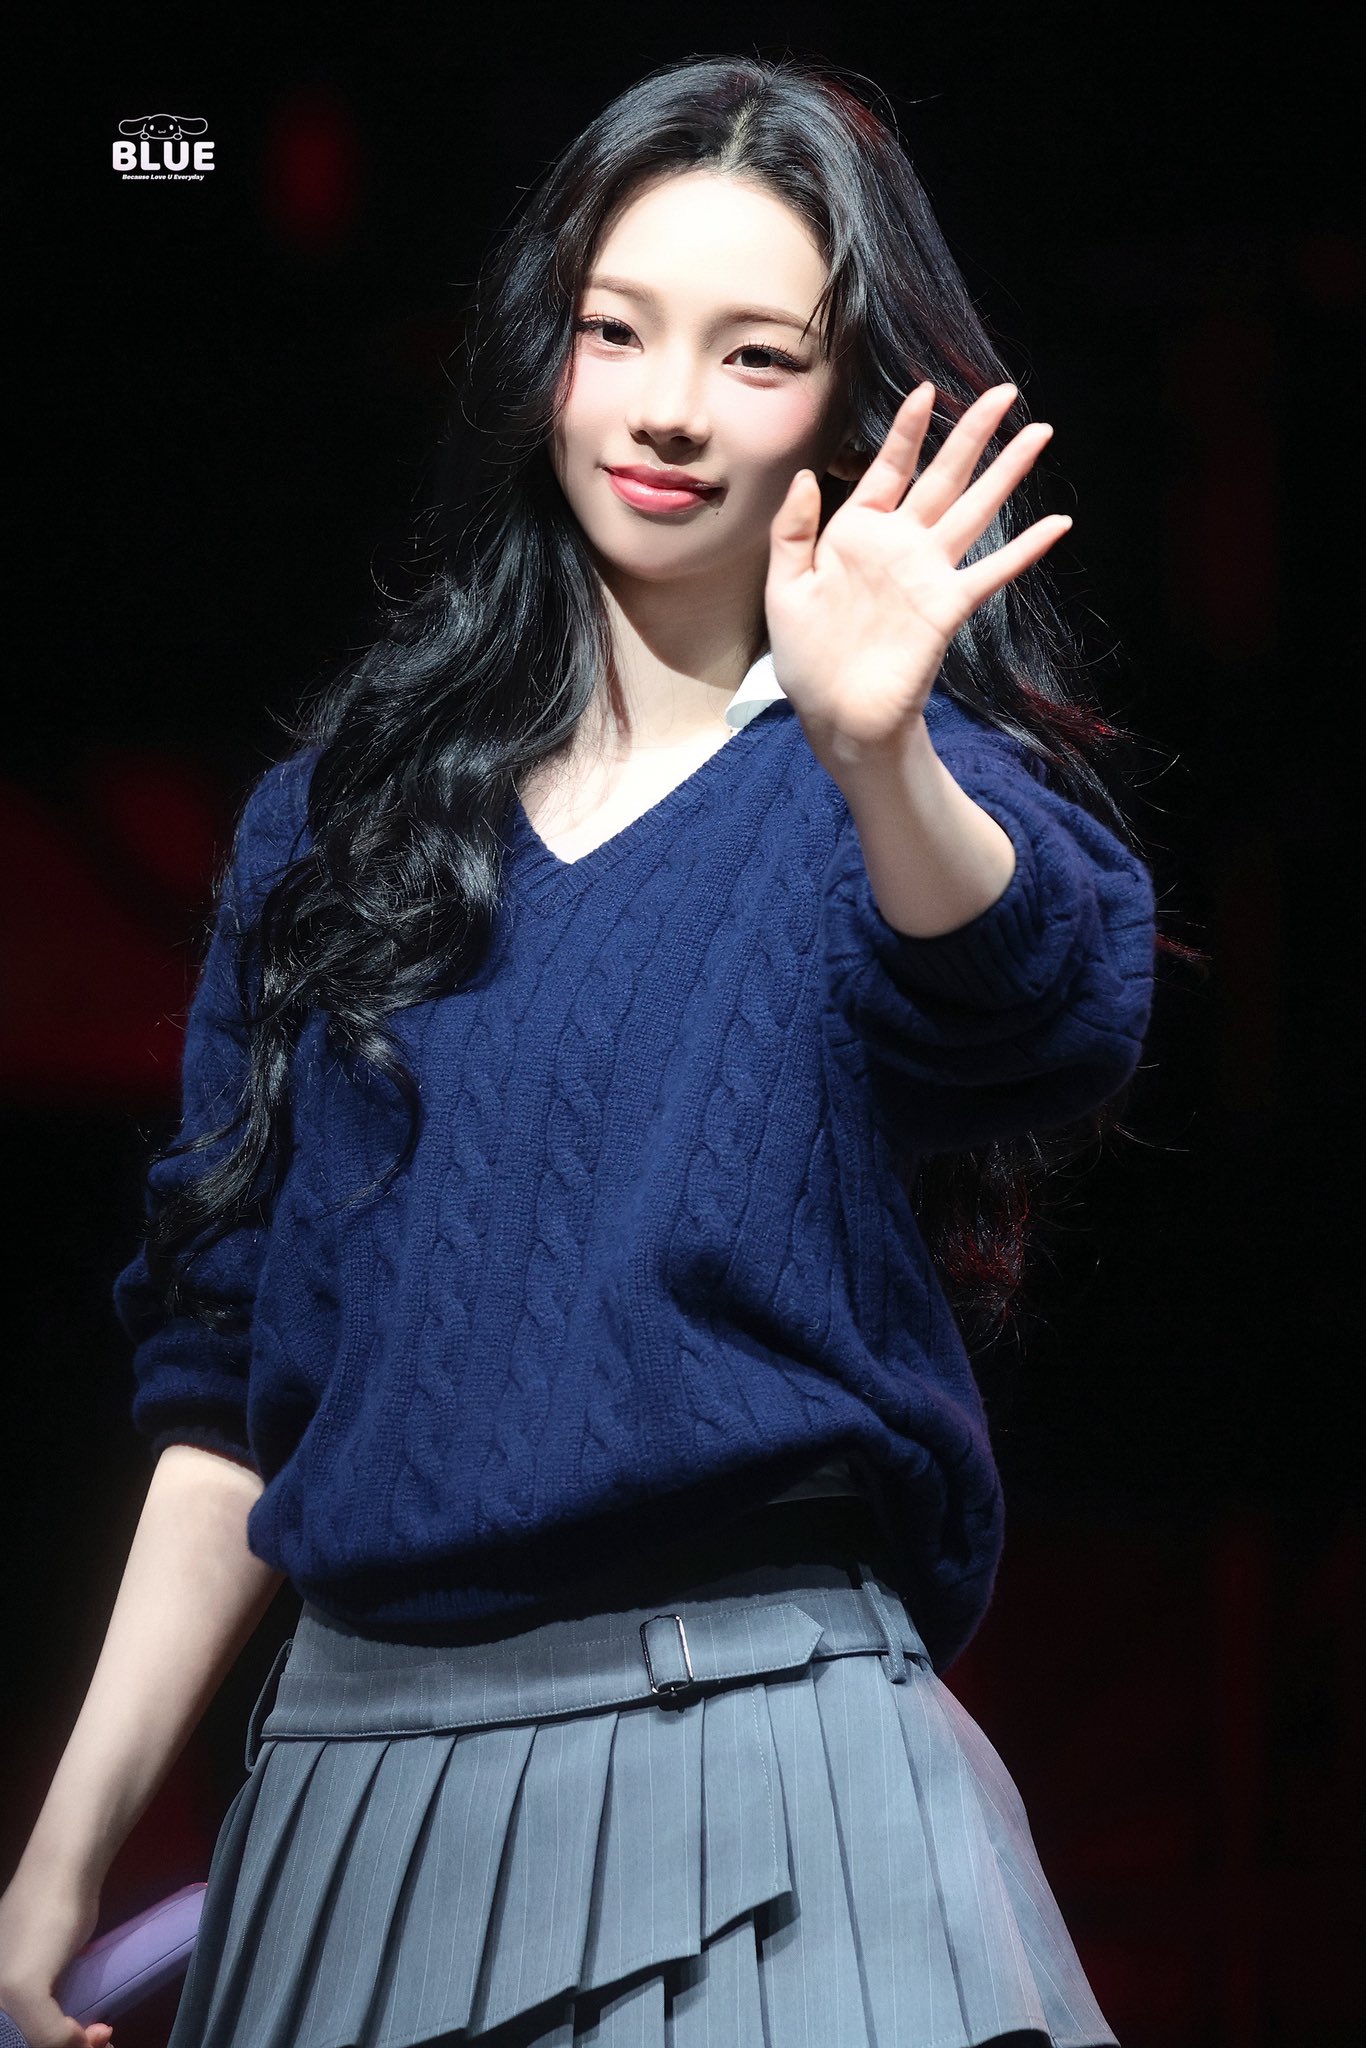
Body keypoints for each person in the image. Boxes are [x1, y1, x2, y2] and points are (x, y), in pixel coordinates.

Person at [0, 52, 1162, 2048]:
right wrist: (64, 1847)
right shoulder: (341, 823)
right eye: (617, 329)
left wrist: (876, 750)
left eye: (752, 354)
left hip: (760, 1748)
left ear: (848, 402)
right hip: (357, 1796)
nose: (664, 405)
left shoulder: (887, 790)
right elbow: (226, 1380)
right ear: (543, 345)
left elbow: (1040, 998)